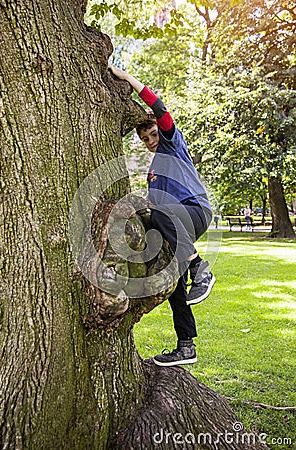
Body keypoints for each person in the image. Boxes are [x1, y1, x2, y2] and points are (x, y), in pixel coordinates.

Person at [109, 65, 216, 366]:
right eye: (145, 139)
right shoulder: (153, 172)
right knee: (174, 282)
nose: (151, 140)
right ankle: (186, 346)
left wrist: (129, 80)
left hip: (194, 210)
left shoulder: (172, 143)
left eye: (153, 133)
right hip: (174, 225)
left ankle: (200, 267)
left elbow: (159, 107)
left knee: (159, 215)